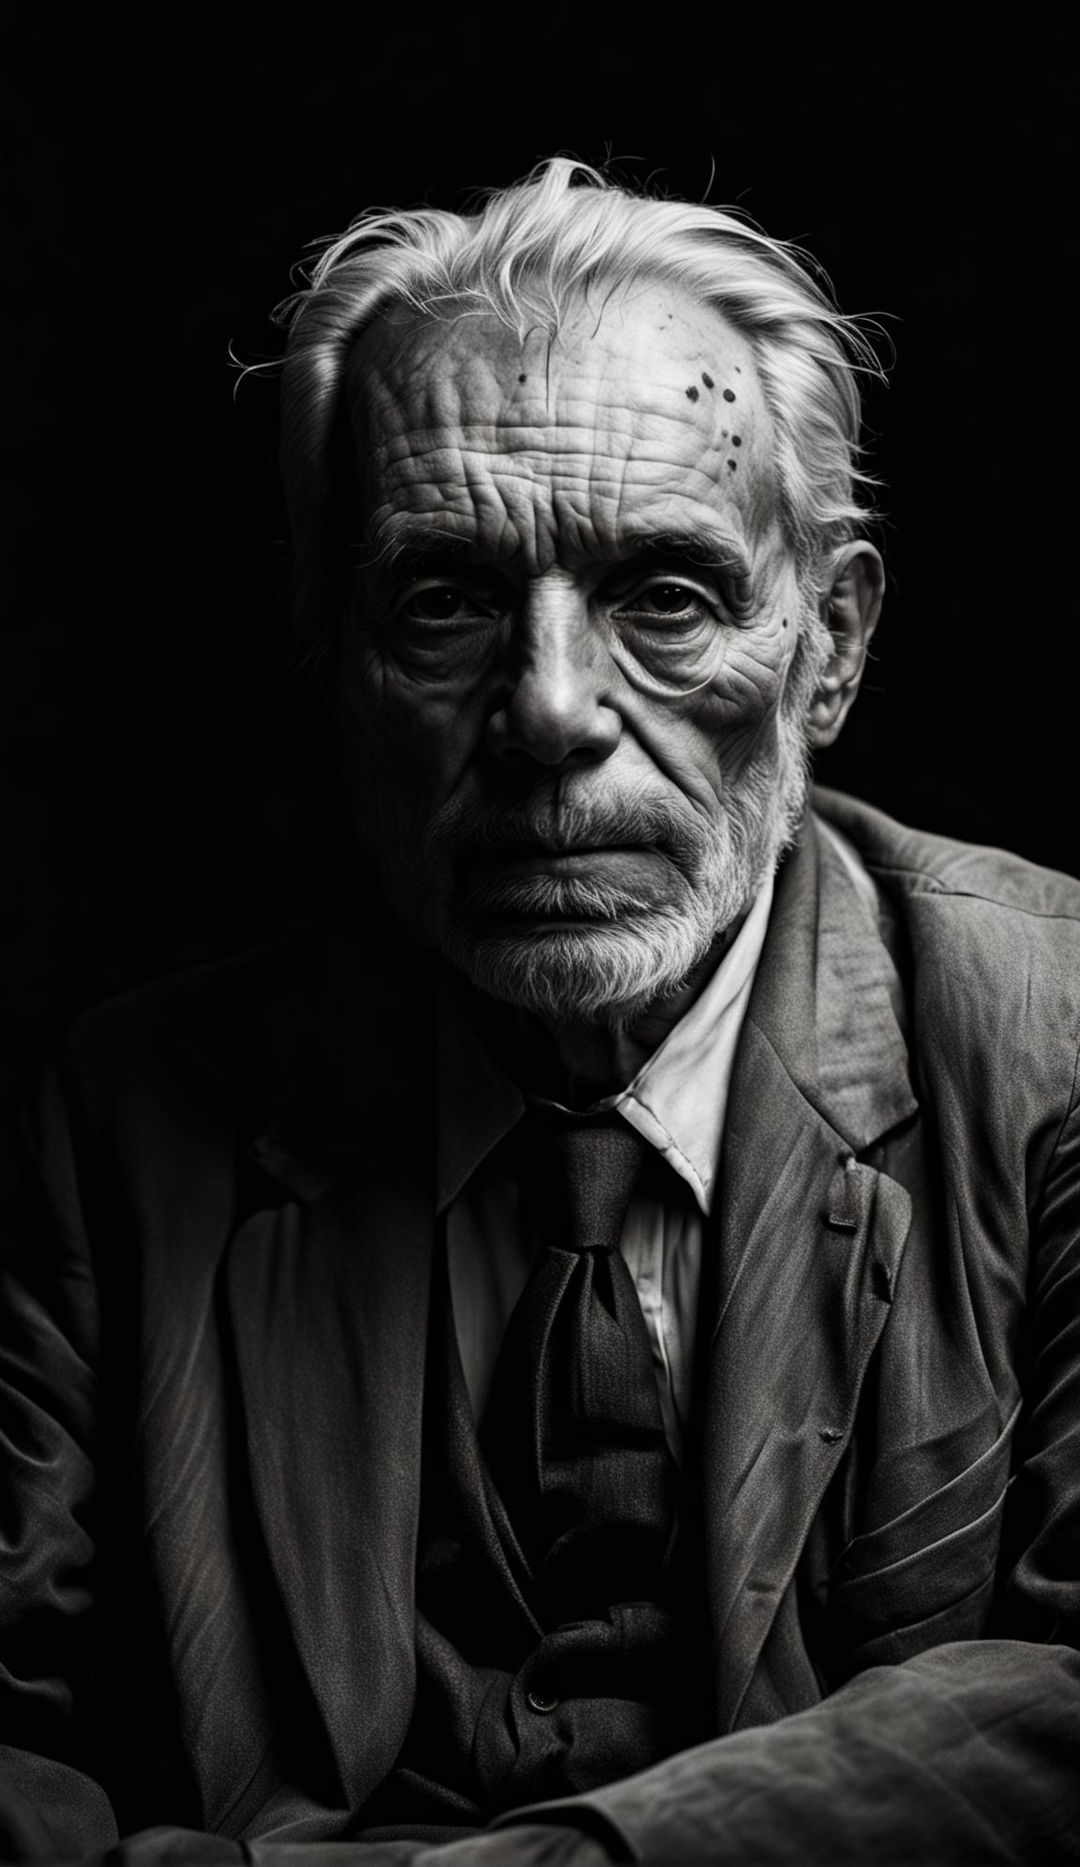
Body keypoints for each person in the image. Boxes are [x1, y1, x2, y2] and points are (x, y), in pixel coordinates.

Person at [2, 157, 1078, 1866]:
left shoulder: (1053, 1042)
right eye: (444, 601)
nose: (550, 712)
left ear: (833, 646)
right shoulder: (124, 1127)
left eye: (667, 597)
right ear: (325, 648)